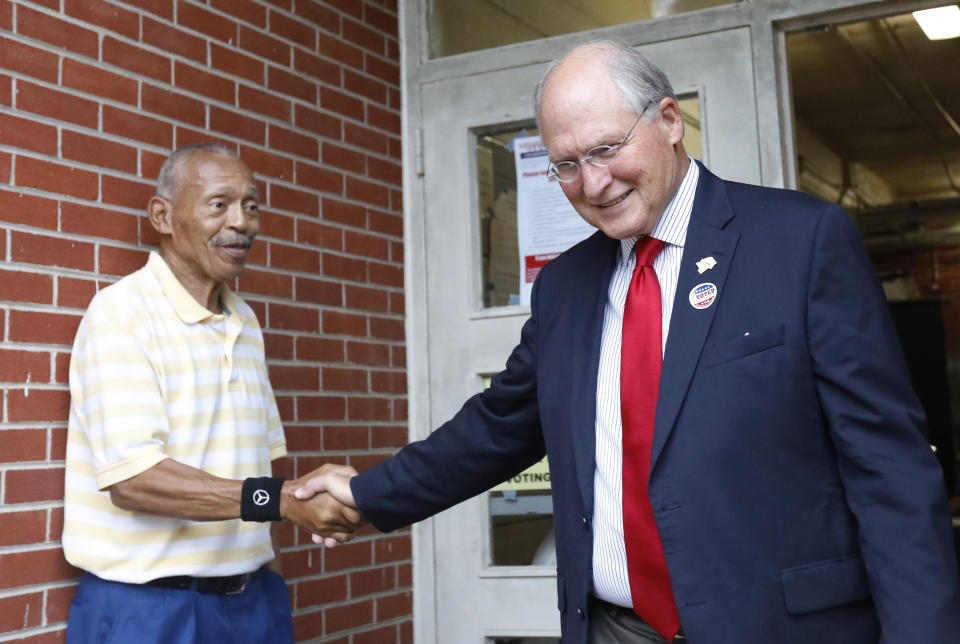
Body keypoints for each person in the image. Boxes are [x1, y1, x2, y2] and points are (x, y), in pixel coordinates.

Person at [300, 42, 960, 643]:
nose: (592, 184)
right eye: (565, 165)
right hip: (617, 629)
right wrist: (366, 493)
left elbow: (890, 472)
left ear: (668, 121)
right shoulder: (565, 286)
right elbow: (497, 429)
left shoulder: (801, 243)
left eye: (607, 148)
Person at [62, 143, 359, 643]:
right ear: (162, 215)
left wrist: (275, 588)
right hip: (147, 610)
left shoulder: (244, 320)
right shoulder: (121, 314)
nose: (241, 222)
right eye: (219, 205)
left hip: (252, 603)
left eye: (252, 205)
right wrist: (280, 500)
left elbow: (262, 470)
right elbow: (135, 480)